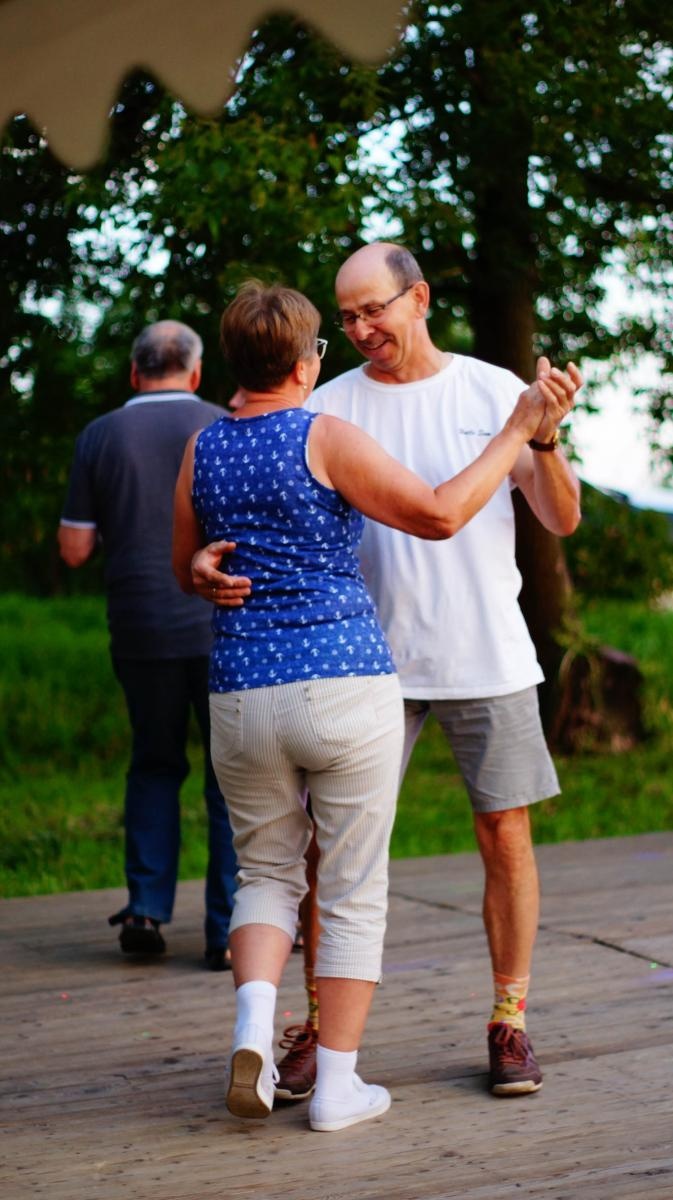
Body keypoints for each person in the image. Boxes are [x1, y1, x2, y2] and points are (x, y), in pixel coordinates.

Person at [173, 280, 575, 1132]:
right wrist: (205, 566)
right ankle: (324, 1039)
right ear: (310, 349)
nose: (358, 329)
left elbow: (560, 518)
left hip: (478, 655)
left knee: (500, 835)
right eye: (343, 317)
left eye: (372, 311)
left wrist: (539, 435)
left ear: (417, 299)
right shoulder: (323, 408)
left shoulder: (493, 388)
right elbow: (416, 516)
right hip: (359, 668)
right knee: (331, 863)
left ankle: (509, 1019)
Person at [58, 319, 237, 969]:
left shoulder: (98, 435)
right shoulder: (224, 423)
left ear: (134, 372)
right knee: (230, 776)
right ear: (193, 373)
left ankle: (145, 907)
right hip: (221, 623)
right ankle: (226, 929)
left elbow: (74, 549)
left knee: (154, 762)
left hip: (138, 626)